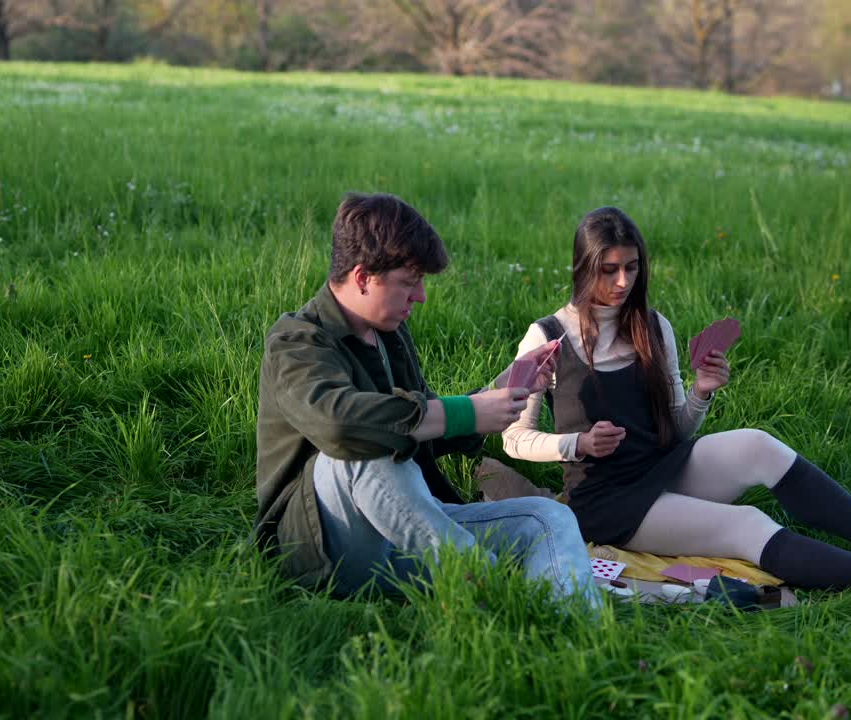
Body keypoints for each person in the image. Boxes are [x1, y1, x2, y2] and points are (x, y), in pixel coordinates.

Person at [501, 206, 851, 590]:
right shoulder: (547, 337)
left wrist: (700, 394)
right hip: (608, 503)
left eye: (632, 268)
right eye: (609, 270)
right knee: (746, 524)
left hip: (661, 468)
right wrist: (576, 445)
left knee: (756, 442)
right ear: (584, 267)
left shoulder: (652, 327)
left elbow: (675, 431)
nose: (623, 282)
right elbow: (514, 438)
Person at [255, 192, 600, 607]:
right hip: (328, 550)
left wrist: (500, 391)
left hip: (411, 531)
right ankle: (491, 590)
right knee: (365, 447)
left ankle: (570, 623)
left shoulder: (389, 334)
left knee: (548, 518)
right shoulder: (296, 341)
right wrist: (466, 412)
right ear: (363, 277)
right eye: (409, 282)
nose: (420, 296)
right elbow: (341, 425)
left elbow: (422, 428)